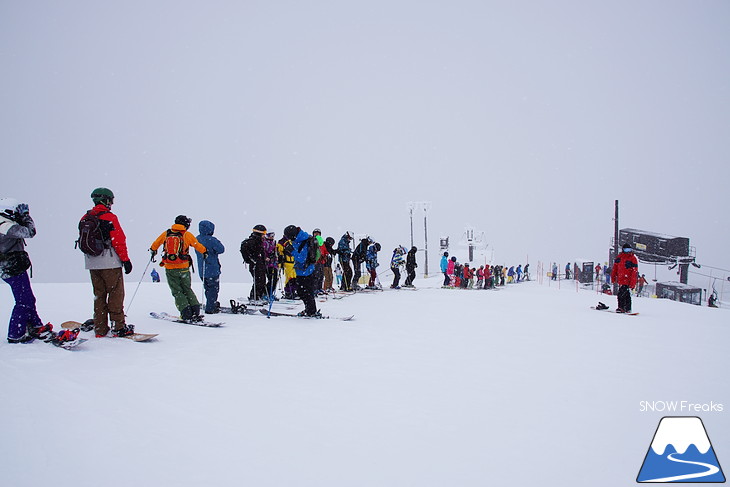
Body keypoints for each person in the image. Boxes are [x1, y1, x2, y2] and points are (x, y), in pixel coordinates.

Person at [80, 188, 135, 338]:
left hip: (92, 262)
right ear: (106, 200)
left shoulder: (85, 217)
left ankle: (100, 328)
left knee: (99, 295)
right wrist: (126, 260)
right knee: (116, 294)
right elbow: (118, 240)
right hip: (109, 262)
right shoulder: (109, 217)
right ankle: (118, 326)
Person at [0, 198, 52, 343]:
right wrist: (26, 217)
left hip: (11, 267)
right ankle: (15, 334)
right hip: (11, 267)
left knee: (28, 298)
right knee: (23, 300)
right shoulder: (5, 225)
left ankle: (35, 325)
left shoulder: (5, 223)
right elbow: (30, 232)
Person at [150, 215, 207, 322]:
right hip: (184, 267)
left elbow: (155, 244)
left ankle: (185, 312)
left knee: (177, 291)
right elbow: (197, 245)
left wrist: (153, 250)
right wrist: (204, 251)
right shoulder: (187, 235)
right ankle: (195, 310)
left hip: (170, 267)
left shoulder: (166, 233)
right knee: (187, 288)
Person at [284, 225, 319, 317]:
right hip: (306, 269)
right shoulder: (302, 238)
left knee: (304, 292)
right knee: (306, 291)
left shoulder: (302, 241)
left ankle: (311, 311)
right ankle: (310, 310)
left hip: (304, 270)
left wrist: (291, 251)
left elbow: (302, 258)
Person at [195, 220, 225, 314]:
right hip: (212, 268)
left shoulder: (197, 239)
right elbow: (221, 249)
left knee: (207, 287)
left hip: (202, 269)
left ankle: (211, 303)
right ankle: (211, 307)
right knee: (213, 288)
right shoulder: (211, 240)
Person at [240, 225, 268, 301]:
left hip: (260, 264)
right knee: (258, 281)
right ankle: (254, 297)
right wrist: (253, 259)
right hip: (255, 264)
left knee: (262, 280)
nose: (264, 235)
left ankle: (258, 296)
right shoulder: (253, 241)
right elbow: (252, 253)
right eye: (264, 233)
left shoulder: (258, 241)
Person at [611, 242, 639, 313]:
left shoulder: (633, 258)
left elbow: (634, 272)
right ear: (623, 250)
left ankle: (621, 307)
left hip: (628, 280)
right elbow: (615, 268)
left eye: (629, 250)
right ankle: (627, 308)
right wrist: (613, 277)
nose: (628, 251)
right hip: (621, 279)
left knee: (621, 294)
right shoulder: (619, 257)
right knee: (626, 294)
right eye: (626, 250)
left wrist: (633, 283)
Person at [278, 235, 297, 300]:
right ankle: (288, 292)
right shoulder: (282, 242)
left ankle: (293, 291)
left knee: (294, 277)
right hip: (287, 262)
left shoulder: (292, 241)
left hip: (293, 262)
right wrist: (280, 263)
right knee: (289, 277)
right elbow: (280, 252)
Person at [263, 231, 279, 300]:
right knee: (271, 280)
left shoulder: (273, 242)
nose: (272, 237)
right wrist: (267, 257)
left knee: (275, 280)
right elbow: (264, 252)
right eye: (270, 235)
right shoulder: (265, 243)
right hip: (268, 265)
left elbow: (275, 252)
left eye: (273, 235)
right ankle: (266, 294)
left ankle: (270, 293)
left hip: (274, 264)